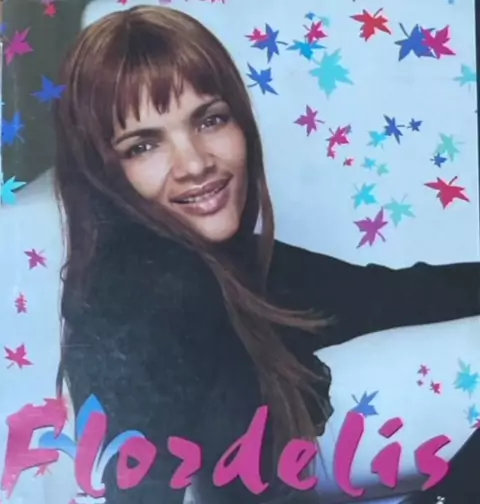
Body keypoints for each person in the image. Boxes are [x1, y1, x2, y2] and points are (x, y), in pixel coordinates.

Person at [53, 6, 479, 504]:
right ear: (102, 174)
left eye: (210, 120)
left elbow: (402, 294)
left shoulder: (236, 268)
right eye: (143, 146)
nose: (194, 163)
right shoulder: (147, 289)